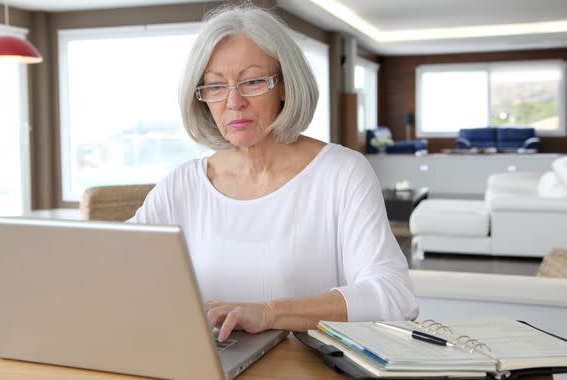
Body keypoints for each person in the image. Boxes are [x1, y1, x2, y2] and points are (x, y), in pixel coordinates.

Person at [128, 3, 418, 342]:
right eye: (216, 86)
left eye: (252, 81)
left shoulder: (342, 173)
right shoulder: (182, 185)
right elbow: (113, 266)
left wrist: (269, 312)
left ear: (284, 85)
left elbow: (395, 295)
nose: (234, 102)